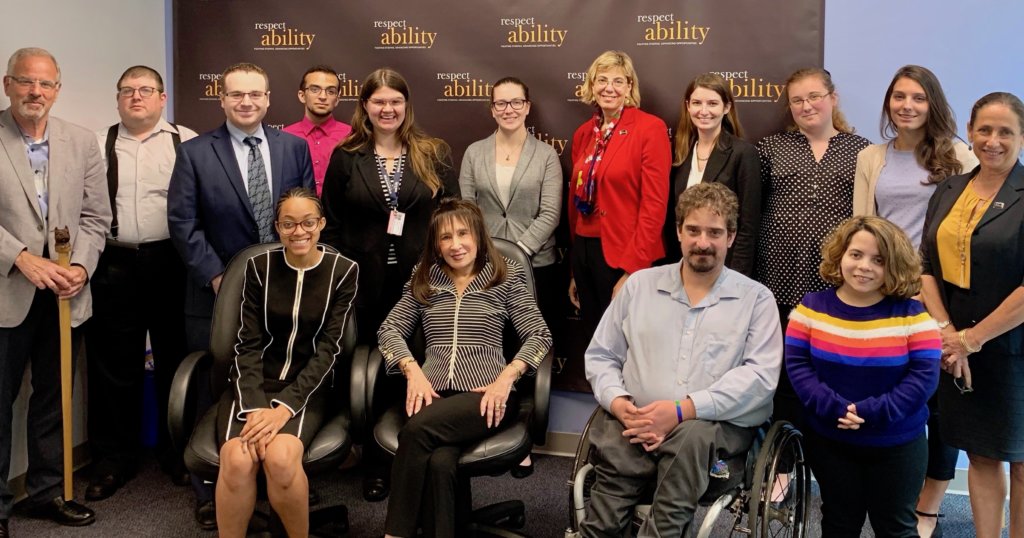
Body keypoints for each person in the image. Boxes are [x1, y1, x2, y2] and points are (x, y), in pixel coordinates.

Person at [582, 182, 781, 537]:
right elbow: (601, 355)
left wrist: (682, 410)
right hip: (635, 420)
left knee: (691, 438)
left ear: (731, 237)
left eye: (715, 233)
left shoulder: (756, 300)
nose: (702, 242)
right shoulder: (639, 286)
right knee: (609, 491)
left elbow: (760, 379)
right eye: (693, 230)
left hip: (715, 429)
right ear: (678, 232)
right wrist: (619, 401)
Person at [167, 61, 314, 529]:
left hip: (284, 293)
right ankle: (212, 492)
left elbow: (305, 214)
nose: (246, 102)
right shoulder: (194, 153)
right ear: (223, 100)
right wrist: (218, 278)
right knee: (213, 390)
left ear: (269, 99)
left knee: (275, 375)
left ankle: (277, 482)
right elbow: (183, 225)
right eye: (236, 94)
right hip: (214, 295)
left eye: (255, 94)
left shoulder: (294, 147)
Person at [320, 67, 458, 502]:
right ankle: (376, 462)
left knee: (420, 366)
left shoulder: (432, 152)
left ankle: (418, 457)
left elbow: (451, 215)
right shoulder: (348, 155)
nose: (387, 109)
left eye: (395, 101)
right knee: (372, 371)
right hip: (365, 284)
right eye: (378, 101)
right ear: (365, 106)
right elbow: (333, 226)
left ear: (406, 106)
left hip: (424, 281)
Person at [851, 64, 977, 538]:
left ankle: (929, 505)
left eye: (918, 98)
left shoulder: (959, 156)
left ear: (933, 104)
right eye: (899, 97)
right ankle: (890, 496)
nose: (907, 106)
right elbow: (861, 226)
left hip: (940, 294)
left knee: (941, 404)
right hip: (885, 293)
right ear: (888, 103)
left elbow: (969, 229)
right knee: (892, 394)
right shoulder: (871, 158)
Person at [378, 199, 551, 538]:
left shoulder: (505, 275)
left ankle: (394, 533)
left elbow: (539, 334)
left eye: (462, 234)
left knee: (415, 434)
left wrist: (507, 376)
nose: (455, 245)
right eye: (445, 238)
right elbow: (389, 329)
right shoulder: (425, 278)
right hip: (432, 393)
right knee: (441, 463)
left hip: (487, 395)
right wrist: (411, 370)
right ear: (435, 244)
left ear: (478, 236)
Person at [0, 47, 110, 530]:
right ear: (8, 85)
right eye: (25, 82)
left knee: (54, 398)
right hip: (8, 292)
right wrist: (20, 258)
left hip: (65, 293)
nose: (35, 92)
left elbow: (95, 216)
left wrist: (82, 268)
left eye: (45, 84)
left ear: (57, 90)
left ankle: (47, 492)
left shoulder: (83, 141)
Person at [215, 187, 357, 538]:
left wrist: (283, 409)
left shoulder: (343, 271)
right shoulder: (258, 267)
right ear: (277, 228)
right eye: (289, 224)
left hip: (307, 388)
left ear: (321, 224)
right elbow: (246, 344)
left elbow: (330, 349)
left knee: (279, 458)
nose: (299, 232)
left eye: (308, 222)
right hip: (253, 385)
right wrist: (254, 407)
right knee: (237, 458)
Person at [84, 65, 198, 502]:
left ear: (162, 98)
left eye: (145, 90)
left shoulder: (185, 142)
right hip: (113, 263)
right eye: (128, 91)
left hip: (170, 260)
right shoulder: (96, 144)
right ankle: (114, 460)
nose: (136, 97)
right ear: (117, 99)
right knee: (113, 365)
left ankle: (177, 453)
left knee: (175, 356)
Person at [786, 215, 941, 536]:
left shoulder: (915, 317)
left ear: (893, 265)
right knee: (839, 524)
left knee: (895, 528)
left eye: (878, 260)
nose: (864, 266)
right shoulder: (810, 309)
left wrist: (871, 412)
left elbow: (923, 380)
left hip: (898, 444)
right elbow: (799, 368)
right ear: (840, 254)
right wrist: (834, 408)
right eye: (856, 254)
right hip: (831, 441)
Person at [920, 92, 1024, 538]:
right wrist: (948, 334)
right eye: (984, 129)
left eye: (1006, 132)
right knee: (981, 454)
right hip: (956, 345)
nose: (993, 140)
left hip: (1013, 348)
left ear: (1021, 137)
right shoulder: (949, 188)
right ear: (969, 130)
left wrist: (972, 339)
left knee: (1021, 460)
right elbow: (926, 266)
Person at [756, 67, 871, 427]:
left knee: (827, 368)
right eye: (797, 100)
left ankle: (823, 446)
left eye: (814, 97)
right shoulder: (770, 148)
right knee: (781, 369)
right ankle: (782, 454)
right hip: (775, 279)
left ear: (832, 99)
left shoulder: (862, 151)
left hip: (834, 284)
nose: (806, 106)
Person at [459, 75, 562, 367]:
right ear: (492, 109)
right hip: (484, 265)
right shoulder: (474, 153)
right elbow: (467, 210)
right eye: (501, 103)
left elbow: (550, 213)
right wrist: (489, 253)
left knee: (532, 342)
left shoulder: (546, 156)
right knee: (492, 340)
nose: (509, 109)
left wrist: (518, 253)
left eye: (516, 102)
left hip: (536, 265)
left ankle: (533, 402)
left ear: (527, 106)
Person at [568, 50, 671, 343]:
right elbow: (575, 201)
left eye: (618, 81)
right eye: (602, 80)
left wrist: (633, 271)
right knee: (595, 340)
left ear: (629, 87)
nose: (609, 88)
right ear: (591, 85)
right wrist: (574, 270)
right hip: (585, 251)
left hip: (623, 253)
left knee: (625, 342)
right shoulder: (584, 134)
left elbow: (655, 204)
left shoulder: (650, 128)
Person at [662, 72, 761, 277]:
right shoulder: (679, 152)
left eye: (712, 103)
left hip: (724, 267)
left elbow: (748, 227)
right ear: (688, 106)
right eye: (697, 103)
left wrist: (737, 277)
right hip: (683, 266)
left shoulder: (743, 153)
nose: (704, 111)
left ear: (726, 107)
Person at [283, 65, 352, 195]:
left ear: (337, 99)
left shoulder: (352, 136)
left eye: (331, 91)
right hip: (298, 213)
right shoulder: (284, 138)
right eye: (315, 89)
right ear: (302, 95)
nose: (323, 96)